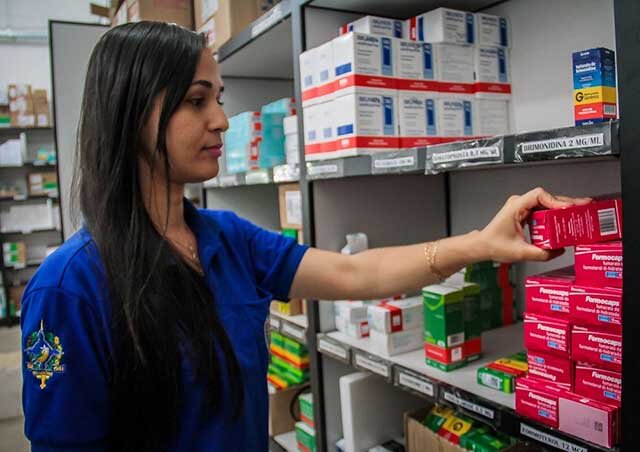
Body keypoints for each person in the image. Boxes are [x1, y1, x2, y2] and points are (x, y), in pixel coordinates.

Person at [20, 22, 589, 452]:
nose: (220, 119)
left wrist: (481, 243)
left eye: (218, 98)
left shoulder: (224, 238)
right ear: (132, 112)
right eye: (197, 101)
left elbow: (352, 273)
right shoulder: (68, 288)